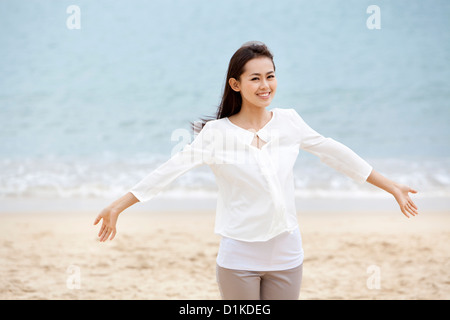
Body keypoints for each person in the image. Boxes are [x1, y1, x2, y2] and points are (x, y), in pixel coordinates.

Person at [93, 41, 418, 300]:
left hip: (288, 254)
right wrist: (117, 206)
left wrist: (392, 187)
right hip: (239, 258)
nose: (265, 85)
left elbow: (335, 153)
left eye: (271, 75)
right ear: (235, 84)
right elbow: (169, 171)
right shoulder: (217, 134)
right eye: (255, 78)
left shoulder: (290, 122)